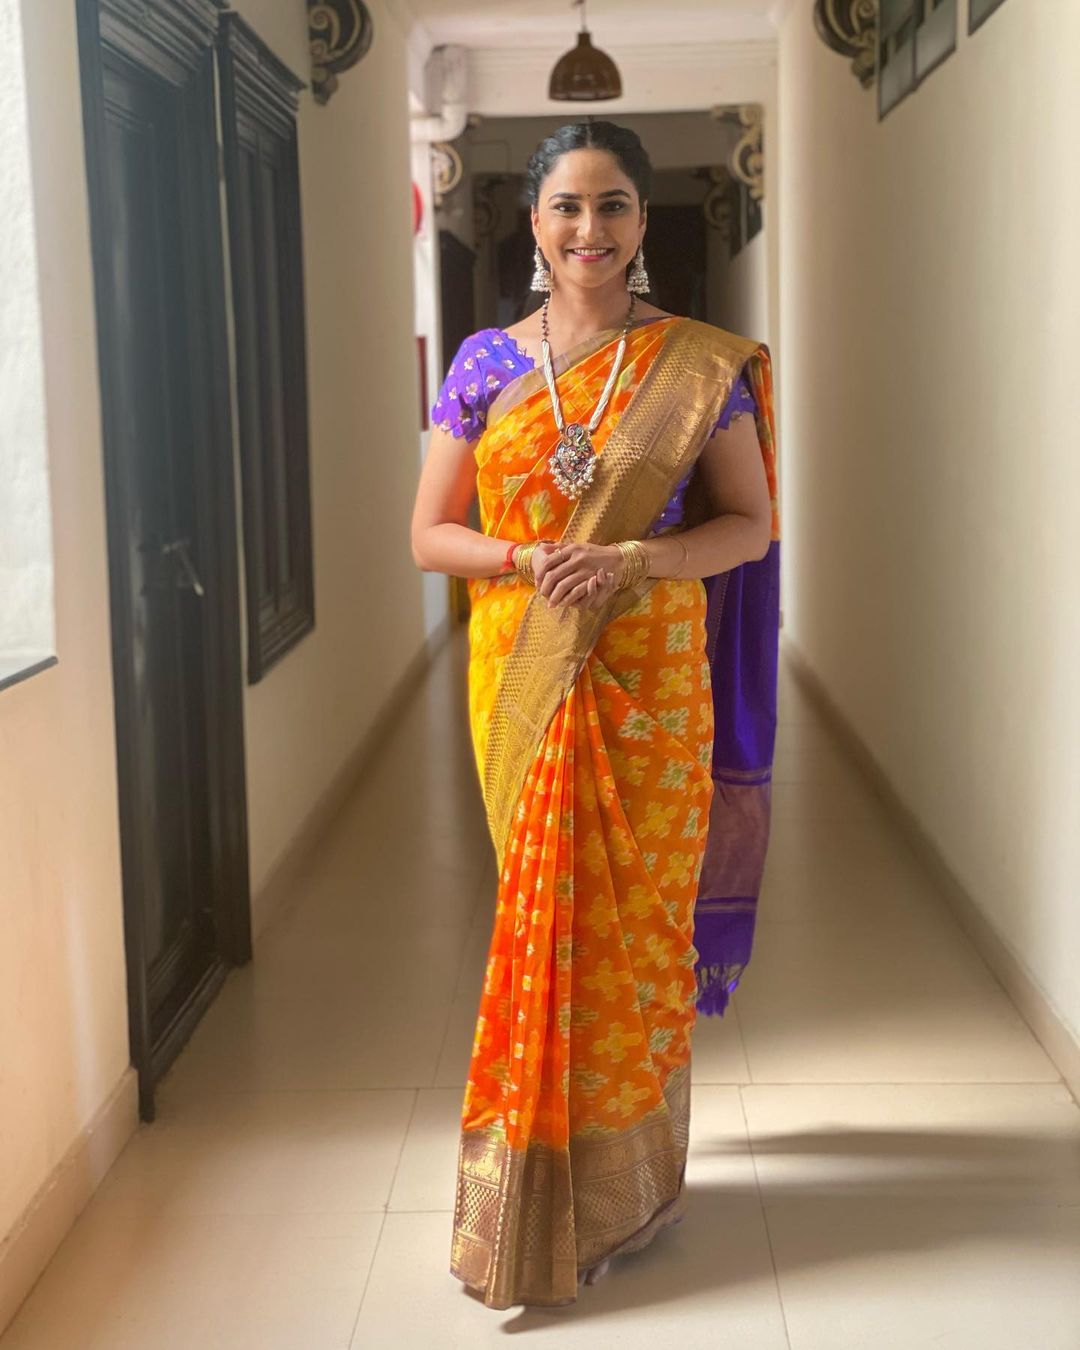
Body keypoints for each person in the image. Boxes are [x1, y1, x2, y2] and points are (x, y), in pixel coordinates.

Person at [411, 120, 780, 1310]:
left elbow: (751, 526)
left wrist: (631, 561)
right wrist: (524, 558)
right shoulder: (480, 367)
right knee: (542, 916)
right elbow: (430, 534)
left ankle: (631, 1188)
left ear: (642, 224)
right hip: (523, 674)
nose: (590, 229)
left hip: (653, 680)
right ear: (534, 226)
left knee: (632, 937)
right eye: (567, 207)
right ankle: (529, 1194)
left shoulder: (697, 365)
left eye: (614, 205)